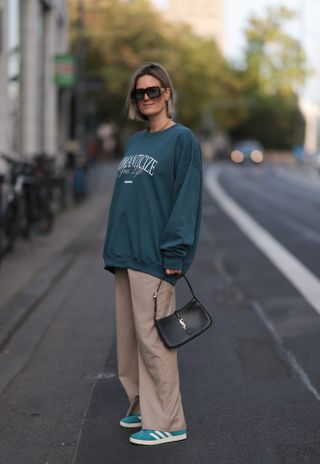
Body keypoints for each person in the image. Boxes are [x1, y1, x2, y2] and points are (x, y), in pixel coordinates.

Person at [102, 62, 202, 446]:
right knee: (129, 341)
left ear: (167, 93)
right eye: (139, 93)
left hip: (157, 257)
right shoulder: (136, 142)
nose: (146, 98)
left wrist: (175, 254)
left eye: (153, 91)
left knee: (155, 339)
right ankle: (142, 405)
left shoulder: (183, 140)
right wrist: (113, 248)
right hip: (126, 254)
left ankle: (169, 421)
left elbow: (186, 200)